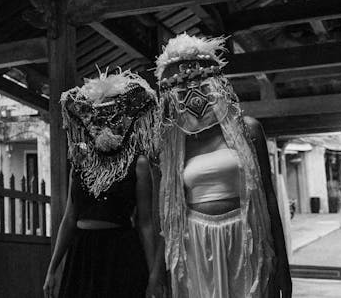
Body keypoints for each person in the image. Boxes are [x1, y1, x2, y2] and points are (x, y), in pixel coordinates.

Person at [149, 34, 292, 298]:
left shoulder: (248, 129)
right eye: (183, 86)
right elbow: (167, 215)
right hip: (195, 244)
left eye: (199, 83)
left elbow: (269, 198)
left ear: (214, 84)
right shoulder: (172, 145)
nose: (192, 93)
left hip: (245, 239)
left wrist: (282, 264)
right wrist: (158, 273)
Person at [44, 70, 159, 298]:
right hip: (82, 255)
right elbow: (69, 219)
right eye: (99, 114)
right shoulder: (80, 162)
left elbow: (145, 223)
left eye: (112, 113)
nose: (105, 121)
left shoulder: (139, 163)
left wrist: (154, 275)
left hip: (121, 254)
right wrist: (52, 269)